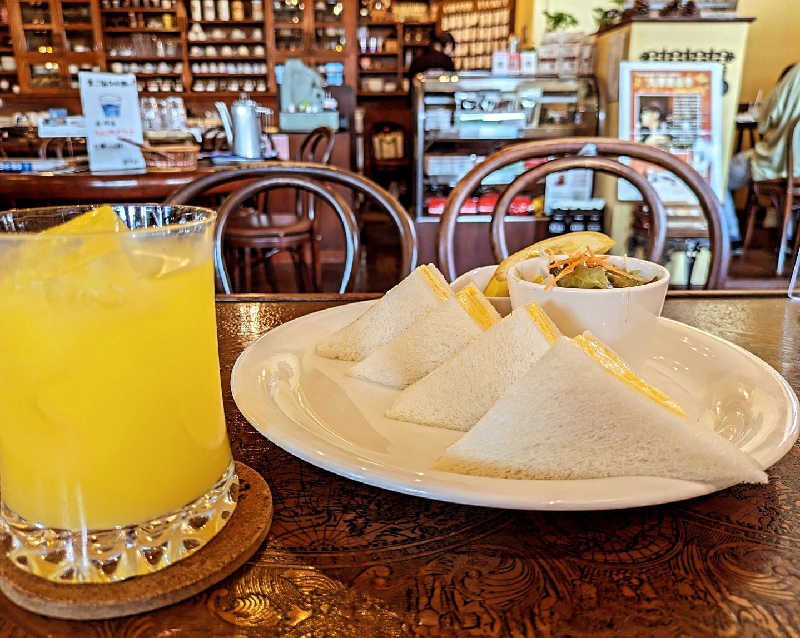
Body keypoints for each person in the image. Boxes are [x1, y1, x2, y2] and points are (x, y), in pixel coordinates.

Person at [726, 63, 800, 244]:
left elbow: (765, 120)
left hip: (780, 165)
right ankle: (784, 225)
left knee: (719, 176)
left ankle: (730, 235)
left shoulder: (796, 74)